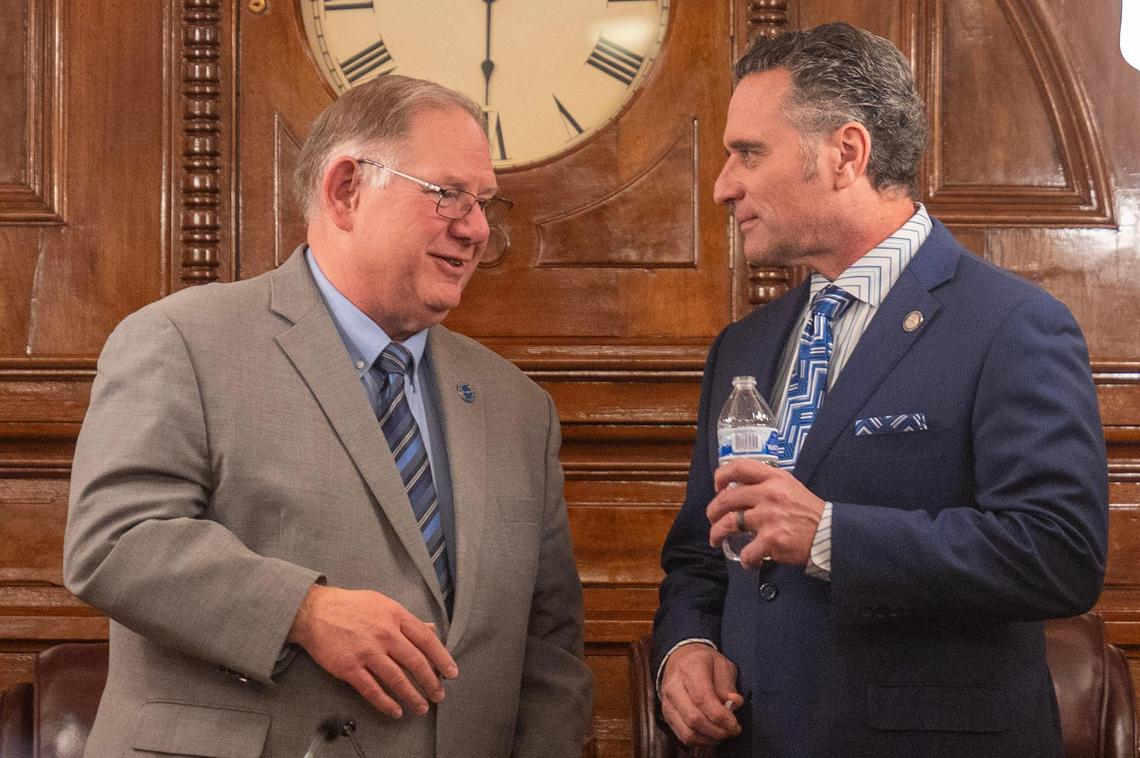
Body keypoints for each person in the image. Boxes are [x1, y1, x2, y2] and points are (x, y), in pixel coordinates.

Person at [63, 75, 592, 757]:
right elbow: (115, 540)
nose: (478, 229)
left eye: (486, 203)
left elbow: (550, 652)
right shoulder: (184, 340)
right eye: (448, 195)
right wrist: (303, 611)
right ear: (346, 189)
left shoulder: (519, 407)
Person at [652, 22, 1108, 758]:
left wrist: (832, 535)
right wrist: (687, 648)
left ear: (846, 153)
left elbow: (1058, 553)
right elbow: (701, 556)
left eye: (748, 153)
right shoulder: (744, 346)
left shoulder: (1016, 326)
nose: (722, 185)